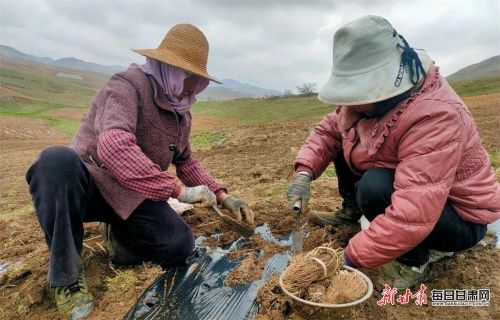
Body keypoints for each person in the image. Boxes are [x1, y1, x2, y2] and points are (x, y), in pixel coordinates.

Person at [26, 23, 255, 318]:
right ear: (170, 68)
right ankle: (66, 277)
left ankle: (119, 236)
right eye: (190, 76)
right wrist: (179, 192)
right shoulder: (127, 86)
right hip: (89, 183)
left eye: (198, 79)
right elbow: (113, 145)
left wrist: (223, 196)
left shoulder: (180, 114)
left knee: (179, 245)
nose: (193, 86)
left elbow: (186, 161)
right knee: (55, 161)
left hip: (132, 194)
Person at [286, 15, 500, 289]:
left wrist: (349, 258)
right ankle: (353, 210)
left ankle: (414, 260)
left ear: (385, 83)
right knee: (345, 137)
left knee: (375, 187)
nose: (353, 102)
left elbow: (414, 211)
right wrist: (304, 172)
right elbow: (330, 130)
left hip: (458, 218)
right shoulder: (374, 103)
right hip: (419, 199)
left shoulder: (436, 116)